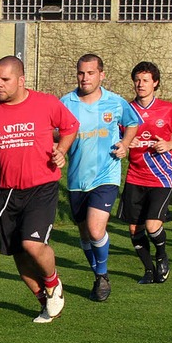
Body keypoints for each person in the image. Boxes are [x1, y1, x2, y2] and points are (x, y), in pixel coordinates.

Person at [0, 56, 79, 323]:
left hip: (42, 186)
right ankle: (44, 300)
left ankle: (53, 282)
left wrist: (61, 150)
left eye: (5, 80)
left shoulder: (46, 102)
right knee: (18, 254)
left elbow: (70, 127)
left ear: (21, 80)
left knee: (32, 244)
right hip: (7, 191)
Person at [61, 54, 140, 301]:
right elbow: (54, 131)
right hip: (76, 179)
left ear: (101, 75)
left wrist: (125, 143)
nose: (85, 78)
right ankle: (98, 275)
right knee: (85, 234)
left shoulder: (115, 102)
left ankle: (102, 275)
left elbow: (133, 123)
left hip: (107, 175)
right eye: (81, 73)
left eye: (91, 73)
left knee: (96, 230)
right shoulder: (66, 102)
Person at [117, 61, 172, 284]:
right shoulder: (125, 110)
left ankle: (162, 256)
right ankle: (148, 271)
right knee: (134, 228)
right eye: (137, 80)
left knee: (152, 224)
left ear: (155, 83)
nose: (140, 84)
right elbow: (117, 141)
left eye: (145, 80)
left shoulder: (168, 109)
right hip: (135, 176)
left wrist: (169, 144)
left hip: (161, 176)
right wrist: (127, 142)